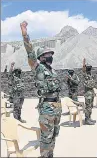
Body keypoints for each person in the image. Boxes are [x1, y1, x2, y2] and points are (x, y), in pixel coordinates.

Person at [20, 21, 62, 157]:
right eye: (48, 54)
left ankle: (50, 154)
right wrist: (25, 35)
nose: (50, 56)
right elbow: (30, 52)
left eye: (51, 54)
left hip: (56, 105)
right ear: (41, 57)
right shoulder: (38, 68)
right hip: (47, 107)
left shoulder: (52, 70)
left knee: (55, 133)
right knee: (46, 136)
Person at [82, 58, 96, 125]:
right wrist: (84, 64)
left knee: (91, 106)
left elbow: (93, 83)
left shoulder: (91, 75)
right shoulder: (85, 75)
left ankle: (89, 118)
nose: (89, 69)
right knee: (88, 107)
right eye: (88, 68)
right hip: (88, 94)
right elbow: (83, 71)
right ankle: (87, 119)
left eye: (90, 67)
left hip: (91, 92)